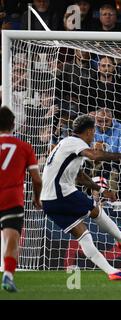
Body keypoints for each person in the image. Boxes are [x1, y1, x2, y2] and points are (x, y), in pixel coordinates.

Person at [40, 115, 121, 281]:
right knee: (95, 209)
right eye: (94, 131)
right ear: (89, 131)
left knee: (84, 235)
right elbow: (94, 156)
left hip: (48, 201)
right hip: (60, 194)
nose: (94, 135)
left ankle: (112, 272)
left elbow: (80, 176)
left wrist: (100, 190)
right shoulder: (76, 142)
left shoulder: (65, 144)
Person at [0, 107, 42, 292]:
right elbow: (37, 179)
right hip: (12, 199)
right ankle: (8, 276)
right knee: (11, 240)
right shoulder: (24, 146)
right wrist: (37, 198)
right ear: (13, 124)